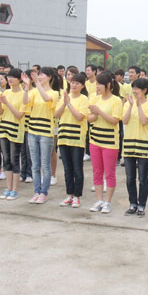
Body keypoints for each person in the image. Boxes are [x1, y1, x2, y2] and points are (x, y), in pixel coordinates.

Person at [22, 67, 60, 204]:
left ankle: (44, 192)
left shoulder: (54, 93)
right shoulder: (34, 92)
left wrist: (37, 83)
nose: (39, 76)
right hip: (32, 131)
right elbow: (25, 102)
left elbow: (46, 98)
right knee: (35, 165)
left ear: (49, 77)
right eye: (38, 75)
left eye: (42, 74)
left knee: (45, 165)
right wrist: (27, 87)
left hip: (45, 132)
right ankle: (36, 191)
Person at [87, 71, 123, 213]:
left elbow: (115, 121)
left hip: (109, 142)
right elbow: (89, 118)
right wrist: (95, 114)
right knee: (97, 172)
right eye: (97, 84)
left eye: (100, 84)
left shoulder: (116, 100)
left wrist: (99, 112)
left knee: (109, 173)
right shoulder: (95, 98)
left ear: (108, 85)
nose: (97, 87)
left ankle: (108, 202)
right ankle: (99, 200)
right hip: (95, 139)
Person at [122, 78, 148, 216]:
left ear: (144, 90)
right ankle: (132, 204)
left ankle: (142, 205)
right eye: (133, 88)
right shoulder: (128, 104)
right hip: (129, 144)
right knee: (130, 177)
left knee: (142, 178)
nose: (134, 91)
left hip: (143, 144)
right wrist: (131, 106)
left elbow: (143, 121)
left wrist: (138, 106)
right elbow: (124, 121)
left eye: (137, 88)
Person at [56, 72, 89, 208]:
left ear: (82, 86)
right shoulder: (65, 97)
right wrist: (64, 103)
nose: (74, 85)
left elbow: (80, 116)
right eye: (72, 82)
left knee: (77, 168)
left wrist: (69, 104)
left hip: (76, 138)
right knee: (67, 169)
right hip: (64, 137)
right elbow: (56, 114)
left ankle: (77, 196)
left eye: (77, 83)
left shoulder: (83, 99)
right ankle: (69, 195)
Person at [0, 68, 26, 200]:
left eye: (12, 77)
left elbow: (19, 115)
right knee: (6, 160)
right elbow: (0, 111)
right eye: (8, 77)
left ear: (19, 79)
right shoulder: (6, 92)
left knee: (14, 160)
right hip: (4, 127)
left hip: (16, 130)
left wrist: (6, 103)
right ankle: (8, 188)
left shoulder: (23, 94)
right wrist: (0, 103)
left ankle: (15, 189)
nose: (9, 79)